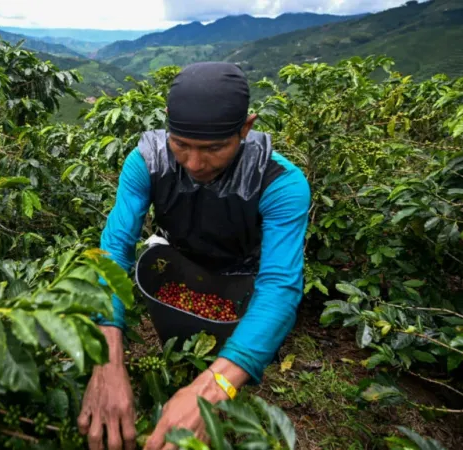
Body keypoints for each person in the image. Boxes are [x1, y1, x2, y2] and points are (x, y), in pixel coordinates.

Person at [77, 62, 311, 450]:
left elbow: (280, 286)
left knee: (240, 340)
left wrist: (213, 386)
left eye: (215, 148)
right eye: (181, 145)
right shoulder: (146, 160)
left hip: (242, 273)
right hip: (180, 256)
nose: (196, 164)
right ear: (167, 125)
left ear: (246, 128)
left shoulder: (281, 183)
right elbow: (114, 248)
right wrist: (107, 357)